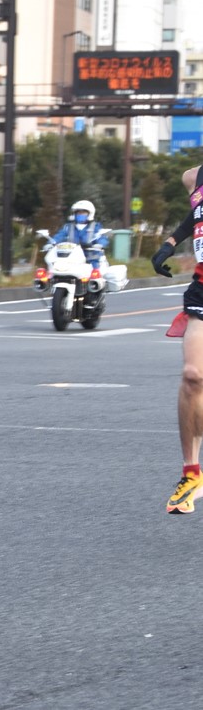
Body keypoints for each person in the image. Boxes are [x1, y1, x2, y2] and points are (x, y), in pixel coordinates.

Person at [152, 164, 203, 515]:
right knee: (192, 376)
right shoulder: (195, 177)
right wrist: (170, 243)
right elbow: (196, 216)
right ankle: (192, 473)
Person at [48, 200, 109, 269]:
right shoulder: (68, 226)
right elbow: (59, 235)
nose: (80, 214)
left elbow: (101, 236)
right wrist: (51, 243)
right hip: (71, 258)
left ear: (90, 214)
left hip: (90, 258)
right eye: (78, 212)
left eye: (83, 213)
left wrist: (100, 244)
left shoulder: (96, 226)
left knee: (95, 275)